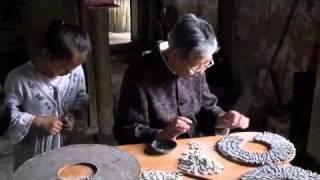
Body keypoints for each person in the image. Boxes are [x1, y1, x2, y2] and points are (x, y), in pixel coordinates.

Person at [113, 14, 250, 145]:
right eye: (196, 66)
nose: (202, 71)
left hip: (193, 147)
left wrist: (222, 119)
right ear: (175, 56)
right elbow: (125, 131)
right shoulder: (139, 74)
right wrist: (162, 135)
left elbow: (207, 108)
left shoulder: (197, 66)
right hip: (156, 154)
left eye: (207, 63)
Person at [4, 20, 91, 169]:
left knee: (65, 172)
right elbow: (6, 115)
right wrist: (38, 121)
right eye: (65, 68)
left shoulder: (75, 71)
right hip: (33, 149)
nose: (70, 73)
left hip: (65, 145)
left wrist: (74, 115)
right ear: (46, 54)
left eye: (75, 68)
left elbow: (81, 96)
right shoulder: (18, 78)